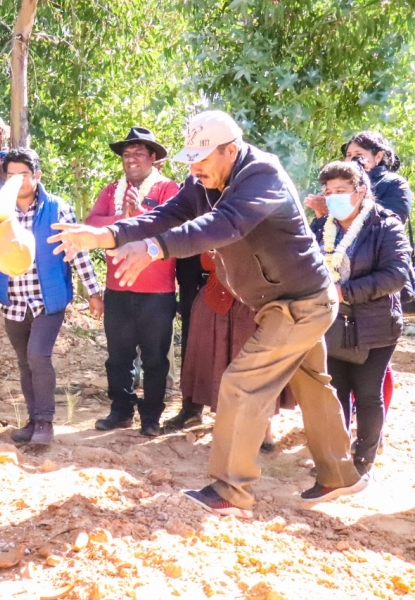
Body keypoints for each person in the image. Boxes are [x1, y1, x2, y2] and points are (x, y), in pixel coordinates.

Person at [49, 110, 366, 516]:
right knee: (312, 385)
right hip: (282, 301)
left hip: (301, 303)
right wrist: (109, 234)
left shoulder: (261, 176)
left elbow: (223, 225)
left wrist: (152, 249)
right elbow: (170, 215)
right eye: (190, 160)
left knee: (241, 384)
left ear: (230, 150)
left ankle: (232, 492)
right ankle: (341, 476)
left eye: (202, 159)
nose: (194, 167)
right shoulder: (205, 180)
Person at [0, 148, 103, 444]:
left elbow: (76, 251)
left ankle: (45, 422)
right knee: (24, 362)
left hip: (48, 299)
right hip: (14, 302)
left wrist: (94, 291)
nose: (18, 181)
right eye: (11, 175)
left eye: (24, 174)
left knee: (38, 356)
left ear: (37, 176)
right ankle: (33, 420)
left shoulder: (57, 208)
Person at [310, 160, 411, 477]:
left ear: (361, 191)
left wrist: (344, 292)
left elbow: (396, 276)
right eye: (328, 192)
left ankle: (363, 462)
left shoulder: (386, 226)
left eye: (341, 190)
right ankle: (336, 460)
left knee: (368, 394)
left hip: (375, 324)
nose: (333, 197)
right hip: (331, 323)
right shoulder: (321, 228)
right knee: (335, 392)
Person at [85, 127, 180, 437]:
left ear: (153, 158)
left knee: (154, 358)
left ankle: (151, 416)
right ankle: (121, 410)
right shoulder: (112, 190)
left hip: (157, 291)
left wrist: (137, 214)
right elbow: (91, 225)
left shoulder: (167, 190)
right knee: (118, 356)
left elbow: (175, 227)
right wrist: (121, 220)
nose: (131, 159)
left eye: (139, 153)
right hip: (118, 290)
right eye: (127, 154)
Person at [170, 250, 295, 451]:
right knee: (220, 364)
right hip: (218, 299)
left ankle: (265, 432)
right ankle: (226, 427)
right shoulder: (218, 224)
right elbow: (207, 261)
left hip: (256, 303)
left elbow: (270, 261)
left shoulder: (267, 222)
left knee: (259, 368)